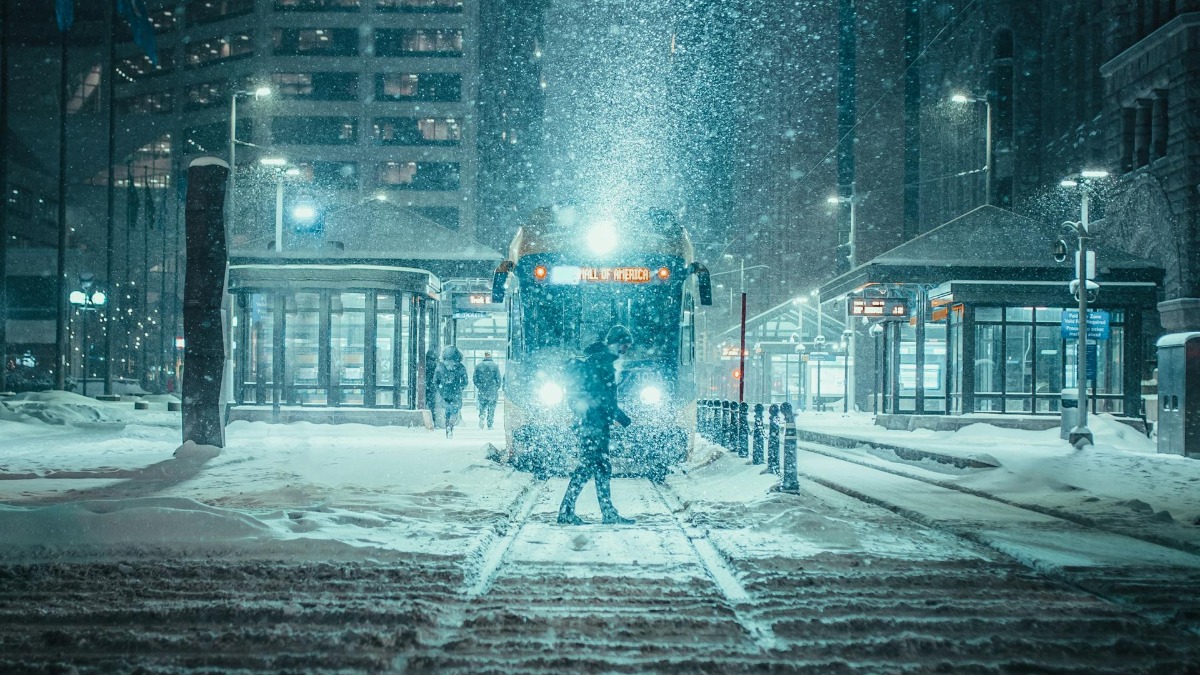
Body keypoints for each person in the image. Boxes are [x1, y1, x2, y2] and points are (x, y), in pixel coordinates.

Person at [557, 325, 635, 526]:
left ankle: (604, 512)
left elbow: (598, 396)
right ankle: (569, 511)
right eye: (624, 344)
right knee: (590, 467)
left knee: (598, 467)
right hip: (594, 423)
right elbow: (604, 399)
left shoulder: (598, 360)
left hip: (591, 422)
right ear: (616, 342)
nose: (626, 349)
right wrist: (624, 419)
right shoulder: (602, 362)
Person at [433, 345, 468, 437]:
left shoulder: (440, 366)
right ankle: (451, 426)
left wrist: (441, 389)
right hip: (456, 391)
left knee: (447, 410)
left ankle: (448, 427)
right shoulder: (460, 366)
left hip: (445, 392)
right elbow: (465, 381)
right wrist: (461, 388)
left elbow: (436, 381)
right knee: (455, 411)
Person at [472, 352, 502, 429]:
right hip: (492, 389)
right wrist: (496, 387)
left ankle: (482, 415)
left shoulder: (478, 366)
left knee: (482, 405)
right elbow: (498, 378)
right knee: (491, 408)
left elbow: (475, 378)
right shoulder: (495, 366)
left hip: (482, 389)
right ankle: (490, 423)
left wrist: (479, 385)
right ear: (490, 356)